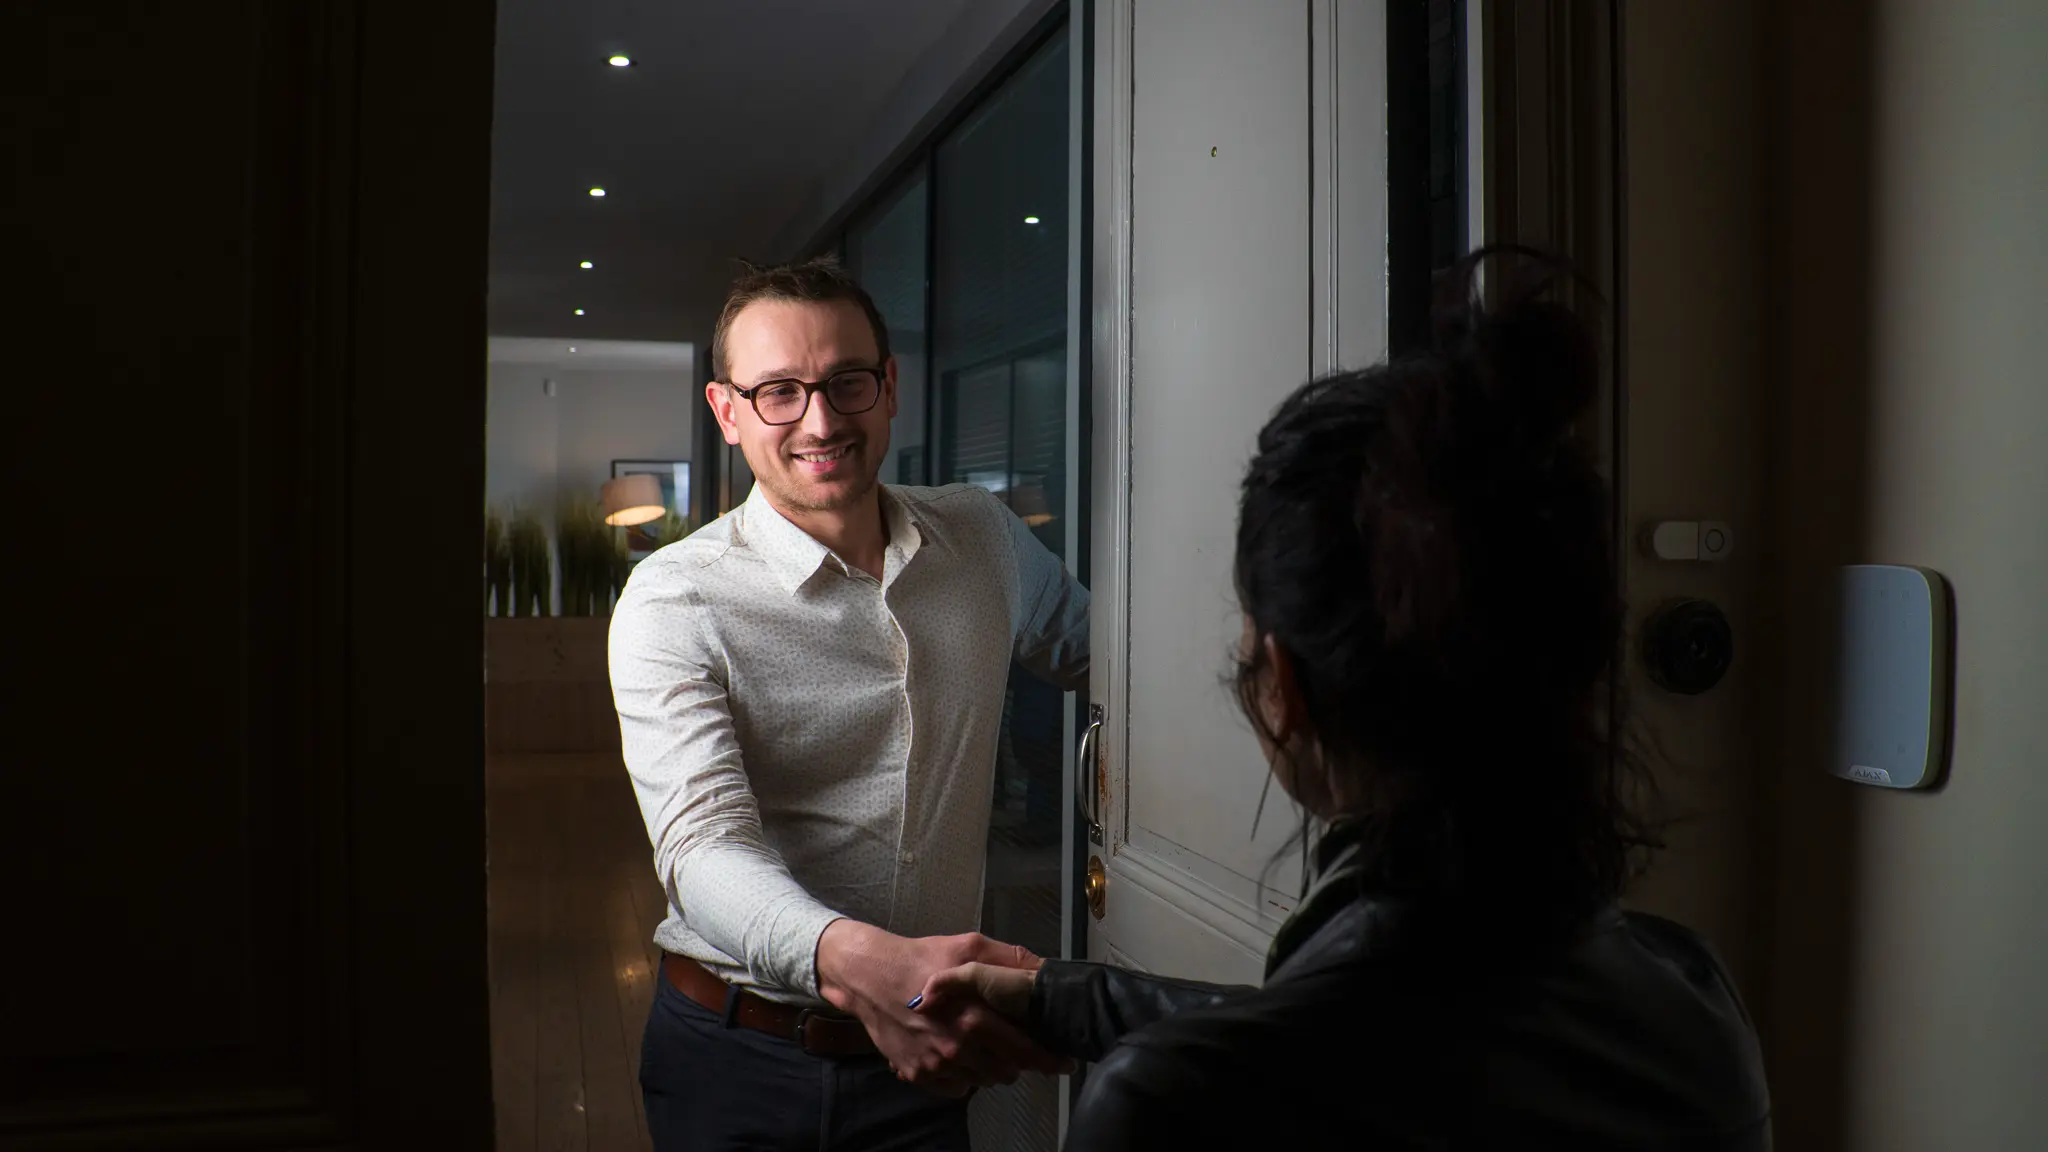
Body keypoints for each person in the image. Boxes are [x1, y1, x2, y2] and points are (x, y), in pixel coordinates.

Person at [917, 249, 1773, 1149]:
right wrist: (1068, 998)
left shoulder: (1167, 1107)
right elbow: (1393, 1043)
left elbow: (1315, 1050)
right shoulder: (1690, 999)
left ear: (1281, 686)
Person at [609, 256, 1089, 1149]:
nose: (820, 421)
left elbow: (1108, 661)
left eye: (846, 383)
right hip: (741, 1059)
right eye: (779, 392)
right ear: (728, 412)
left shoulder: (981, 537)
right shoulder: (675, 600)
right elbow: (701, 846)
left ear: (890, 386)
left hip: (926, 1056)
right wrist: (873, 968)